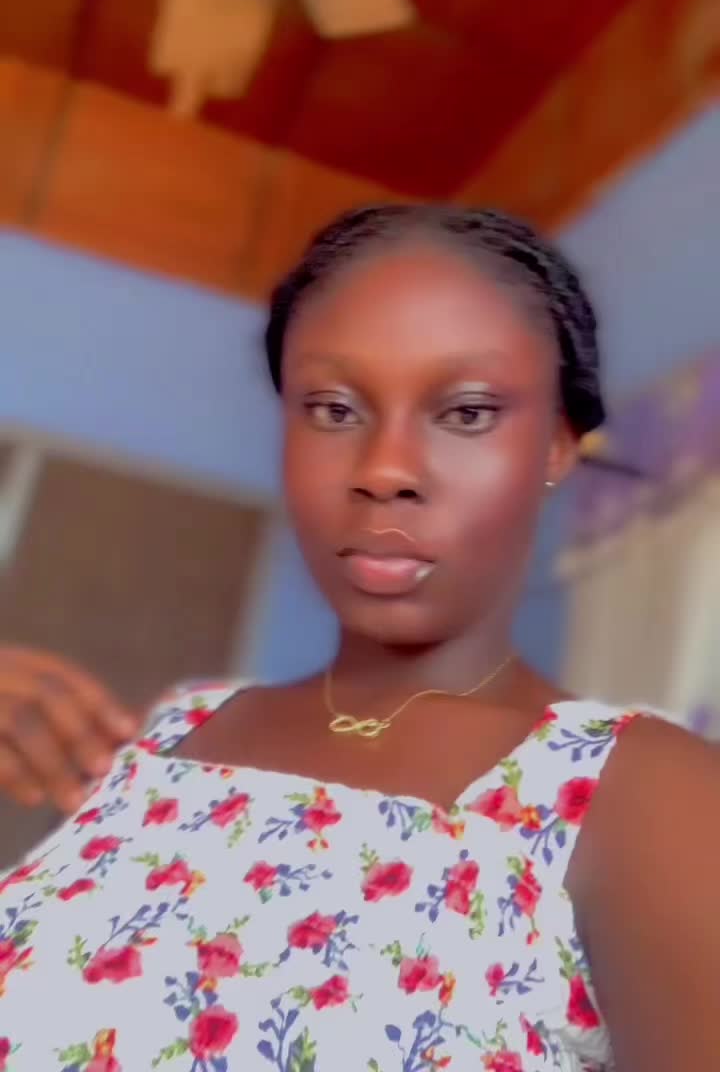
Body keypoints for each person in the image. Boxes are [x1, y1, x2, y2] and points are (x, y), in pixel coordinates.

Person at [0, 204, 717, 1072]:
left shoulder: (647, 796)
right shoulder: (171, 731)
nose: (384, 470)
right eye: (333, 408)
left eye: (467, 412)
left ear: (557, 446)